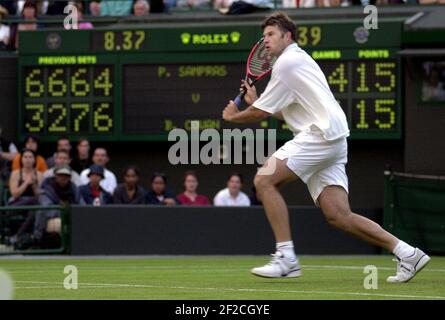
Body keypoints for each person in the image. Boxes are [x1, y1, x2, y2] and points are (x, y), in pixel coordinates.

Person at [222, 12, 430, 282]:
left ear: (288, 36)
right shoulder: (297, 62)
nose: (266, 41)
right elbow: (284, 112)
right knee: (339, 215)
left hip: (320, 135)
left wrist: (233, 116)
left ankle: (286, 258)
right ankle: (408, 253)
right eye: (264, 36)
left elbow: (259, 113)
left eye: (271, 35)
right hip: (333, 138)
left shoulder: (286, 63)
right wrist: (257, 101)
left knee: (264, 180)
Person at [33, 165, 81, 242]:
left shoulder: (74, 189)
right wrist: (66, 211)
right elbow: (47, 209)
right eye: (60, 175)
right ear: (56, 176)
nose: (63, 178)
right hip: (50, 219)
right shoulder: (47, 189)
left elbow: (82, 206)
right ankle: (37, 239)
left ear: (69, 178)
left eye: (66, 176)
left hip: (71, 216)